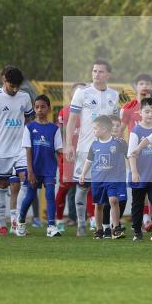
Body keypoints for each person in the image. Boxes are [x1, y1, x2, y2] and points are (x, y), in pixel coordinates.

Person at [64, 61, 121, 237]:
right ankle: (81, 225)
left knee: (105, 191)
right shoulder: (82, 93)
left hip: (107, 150)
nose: (96, 74)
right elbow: (72, 120)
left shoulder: (114, 94)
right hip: (85, 148)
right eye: (94, 71)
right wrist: (69, 144)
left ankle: (104, 226)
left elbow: (115, 122)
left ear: (108, 75)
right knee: (82, 186)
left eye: (100, 71)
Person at [0, 65, 35, 235]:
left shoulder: (25, 97)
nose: (15, 89)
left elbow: (28, 121)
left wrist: (30, 144)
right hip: (1, 151)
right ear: (5, 81)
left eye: (18, 86)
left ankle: (17, 222)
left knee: (24, 182)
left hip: (20, 149)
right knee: (1, 185)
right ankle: (2, 224)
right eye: (12, 86)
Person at [17, 95, 63, 238]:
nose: (39, 110)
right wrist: (30, 171)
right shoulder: (29, 128)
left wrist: (71, 152)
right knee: (30, 197)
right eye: (36, 107)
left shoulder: (54, 129)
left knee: (50, 195)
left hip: (49, 168)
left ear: (49, 109)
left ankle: (51, 226)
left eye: (43, 107)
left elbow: (59, 149)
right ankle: (21, 222)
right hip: (34, 169)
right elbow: (28, 150)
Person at [79, 115, 129, 239]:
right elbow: (89, 161)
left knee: (113, 200)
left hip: (112, 179)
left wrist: (133, 170)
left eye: (95, 128)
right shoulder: (94, 145)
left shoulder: (117, 143)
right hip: (97, 180)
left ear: (104, 129)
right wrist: (83, 174)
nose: (94, 131)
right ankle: (99, 229)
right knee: (99, 204)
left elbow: (128, 156)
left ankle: (116, 227)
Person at [128, 97, 152, 241]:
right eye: (147, 111)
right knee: (138, 203)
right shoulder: (136, 131)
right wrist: (135, 172)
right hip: (140, 174)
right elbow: (131, 153)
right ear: (140, 112)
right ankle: (137, 230)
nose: (150, 114)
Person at [56, 83, 85, 232]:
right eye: (77, 92)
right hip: (68, 156)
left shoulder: (90, 111)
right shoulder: (64, 111)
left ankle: (91, 220)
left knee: (87, 186)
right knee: (64, 187)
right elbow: (59, 134)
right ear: (72, 95)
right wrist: (62, 152)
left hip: (85, 155)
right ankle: (59, 219)